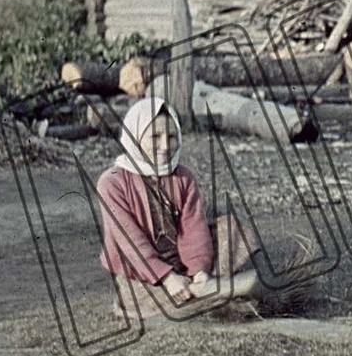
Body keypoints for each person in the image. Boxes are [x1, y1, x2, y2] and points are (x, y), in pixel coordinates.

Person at [97, 97, 261, 318]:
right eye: (155, 137)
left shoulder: (182, 176)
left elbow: (193, 229)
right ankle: (214, 292)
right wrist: (167, 277)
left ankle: (201, 287)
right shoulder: (112, 182)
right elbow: (129, 241)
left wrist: (199, 270)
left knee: (229, 229)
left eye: (172, 136)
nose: (165, 146)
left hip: (181, 261)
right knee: (140, 296)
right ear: (135, 137)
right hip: (140, 270)